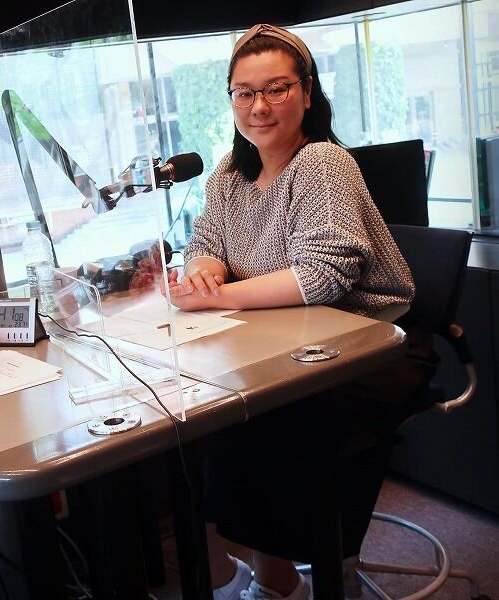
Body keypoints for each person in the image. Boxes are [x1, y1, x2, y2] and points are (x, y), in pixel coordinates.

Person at [165, 25, 437, 600]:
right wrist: (206, 265)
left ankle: (283, 582)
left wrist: (219, 296)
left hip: (370, 343)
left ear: (307, 93)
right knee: (196, 415)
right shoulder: (229, 174)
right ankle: (236, 574)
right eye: (244, 92)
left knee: (262, 418)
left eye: (277, 88)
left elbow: (321, 276)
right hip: (282, 340)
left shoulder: (322, 162)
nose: (259, 106)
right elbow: (204, 242)